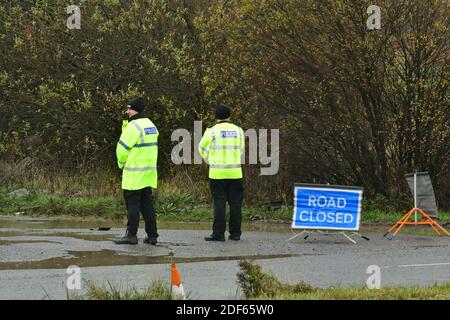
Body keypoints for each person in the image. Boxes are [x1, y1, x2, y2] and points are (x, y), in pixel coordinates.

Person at [114, 97, 159, 245]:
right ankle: (152, 236)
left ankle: (131, 235)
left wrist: (121, 164)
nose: (127, 112)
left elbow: (122, 149)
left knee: (132, 205)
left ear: (136, 110)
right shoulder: (151, 125)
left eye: (129, 109)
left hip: (134, 173)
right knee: (147, 205)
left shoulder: (133, 127)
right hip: (147, 173)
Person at [198, 103, 245, 241]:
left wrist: (210, 160)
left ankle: (218, 234)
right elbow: (241, 150)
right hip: (235, 173)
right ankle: (235, 233)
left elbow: (202, 148)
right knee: (236, 204)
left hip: (217, 173)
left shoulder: (211, 131)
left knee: (219, 204)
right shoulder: (238, 130)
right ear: (230, 116)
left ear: (215, 117)